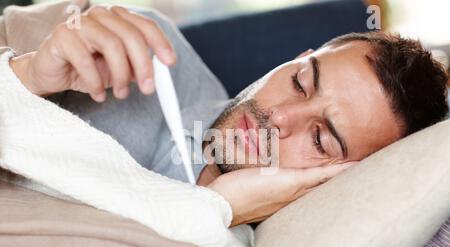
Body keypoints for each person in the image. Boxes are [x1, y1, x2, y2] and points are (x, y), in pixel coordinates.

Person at [8, 4, 448, 225]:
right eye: (299, 82)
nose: (279, 117)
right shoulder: (145, 45)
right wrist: (25, 74)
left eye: (321, 139)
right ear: (296, 57)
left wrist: (214, 209)